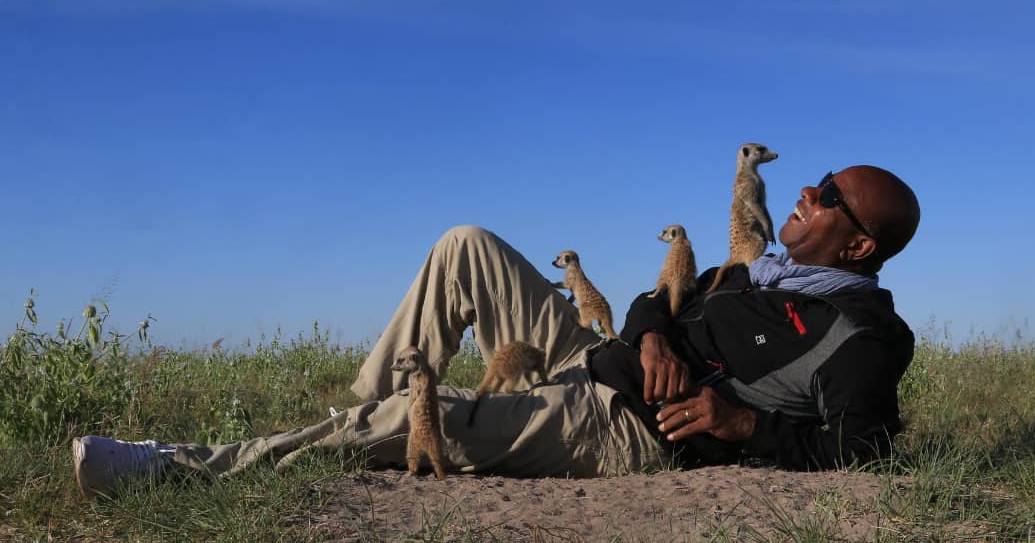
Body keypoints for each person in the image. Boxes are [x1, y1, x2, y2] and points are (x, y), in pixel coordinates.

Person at [72, 165, 920, 497]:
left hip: (625, 424)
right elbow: (658, 301)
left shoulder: (861, 332)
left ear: (858, 244)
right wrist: (654, 331)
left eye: (828, 196)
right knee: (465, 246)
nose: (805, 194)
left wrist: (743, 425)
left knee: (422, 422)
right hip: (604, 357)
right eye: (813, 182)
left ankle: (171, 472)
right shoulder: (756, 269)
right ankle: (353, 417)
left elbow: (867, 445)